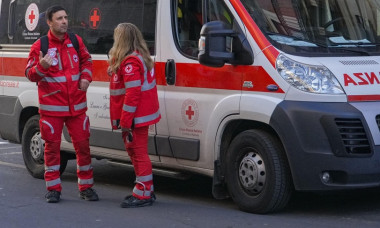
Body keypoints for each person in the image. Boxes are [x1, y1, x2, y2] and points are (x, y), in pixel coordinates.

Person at [25, 5, 99, 203]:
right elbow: (30, 75)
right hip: (52, 110)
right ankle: (53, 189)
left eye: (66, 17)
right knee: (52, 149)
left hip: (77, 107)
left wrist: (86, 77)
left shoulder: (76, 41)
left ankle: (86, 188)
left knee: (83, 147)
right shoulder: (40, 46)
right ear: (49, 22)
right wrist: (42, 66)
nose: (64, 21)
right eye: (59, 18)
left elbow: (87, 61)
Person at [108, 23, 161, 208]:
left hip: (135, 118)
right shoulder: (139, 57)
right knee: (137, 152)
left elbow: (132, 94)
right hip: (141, 115)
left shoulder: (130, 62)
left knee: (138, 153)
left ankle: (143, 193)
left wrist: (125, 121)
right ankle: (145, 189)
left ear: (121, 39)